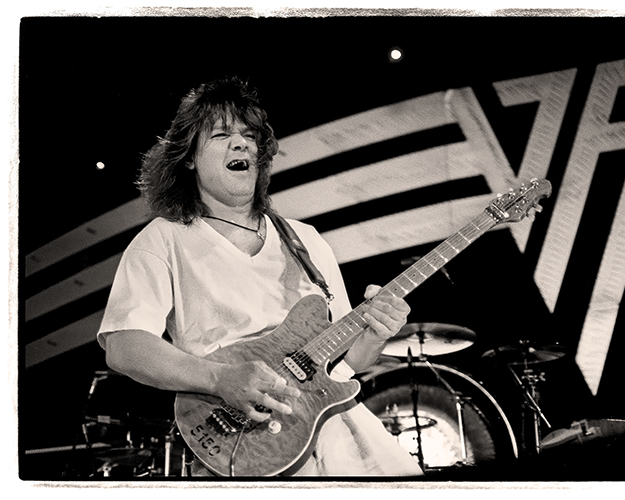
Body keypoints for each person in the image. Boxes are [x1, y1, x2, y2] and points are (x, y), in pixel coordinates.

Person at [97, 76, 423, 477]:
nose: (242, 144)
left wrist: (375, 335)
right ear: (189, 158)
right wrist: (219, 378)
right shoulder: (163, 239)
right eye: (221, 135)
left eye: (249, 136)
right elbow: (125, 347)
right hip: (243, 439)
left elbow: (343, 367)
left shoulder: (306, 241)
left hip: (337, 434)